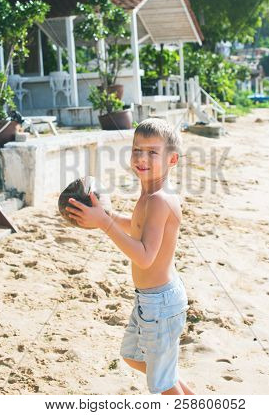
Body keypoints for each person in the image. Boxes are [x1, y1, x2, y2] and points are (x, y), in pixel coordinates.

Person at [65, 117, 194, 395]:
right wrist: (109, 216)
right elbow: (137, 226)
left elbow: (145, 256)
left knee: (162, 382)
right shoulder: (149, 194)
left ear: (172, 160)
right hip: (149, 300)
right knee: (134, 357)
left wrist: (104, 224)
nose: (141, 157)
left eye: (152, 152)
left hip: (160, 303)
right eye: (137, 149)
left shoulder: (160, 199)